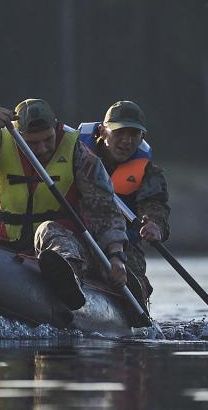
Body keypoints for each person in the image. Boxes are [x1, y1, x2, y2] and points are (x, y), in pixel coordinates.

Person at [0, 99, 128, 310]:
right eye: (33, 143)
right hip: (1, 245)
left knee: (48, 229)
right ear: (19, 134)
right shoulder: (0, 140)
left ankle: (66, 279)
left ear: (55, 128)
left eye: (48, 139)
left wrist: (116, 256)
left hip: (61, 245)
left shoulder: (78, 154)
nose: (42, 148)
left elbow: (105, 211)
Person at [77, 101, 170, 302]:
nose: (126, 141)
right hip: (77, 234)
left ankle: (134, 303)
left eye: (133, 134)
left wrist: (155, 225)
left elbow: (156, 206)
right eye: (119, 133)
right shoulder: (74, 154)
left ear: (142, 137)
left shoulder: (147, 172)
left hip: (125, 245)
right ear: (102, 131)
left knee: (134, 281)